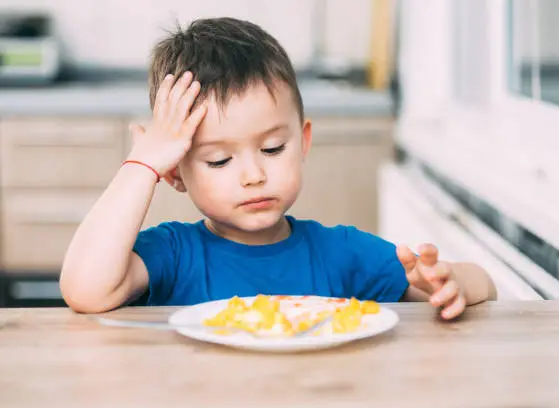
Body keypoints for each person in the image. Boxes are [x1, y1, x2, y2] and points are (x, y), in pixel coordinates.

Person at [60, 17, 497, 319]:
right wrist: (143, 164)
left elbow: (483, 285)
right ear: (176, 172)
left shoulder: (341, 253)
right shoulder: (174, 255)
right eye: (219, 160)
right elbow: (84, 289)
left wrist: (451, 281)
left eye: (272, 148)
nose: (253, 175)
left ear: (302, 141)